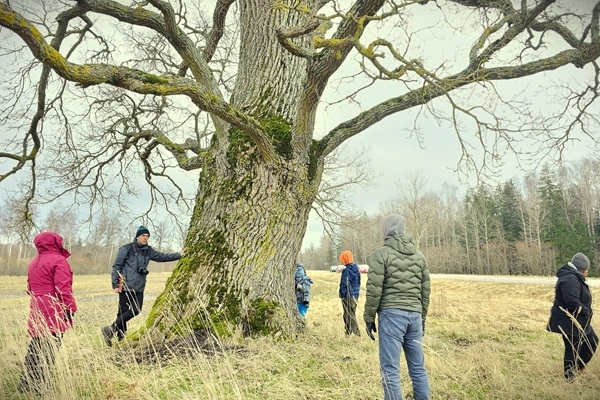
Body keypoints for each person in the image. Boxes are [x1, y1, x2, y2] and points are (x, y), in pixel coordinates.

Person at [364, 214, 431, 400]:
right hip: (415, 316)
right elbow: (426, 291)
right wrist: (422, 318)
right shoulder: (420, 257)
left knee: (390, 369)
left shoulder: (381, 254)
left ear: (385, 231)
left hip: (392, 315)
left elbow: (374, 291)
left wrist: (369, 318)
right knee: (418, 368)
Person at [101, 225, 186, 346]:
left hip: (139, 287)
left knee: (136, 310)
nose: (146, 238)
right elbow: (116, 267)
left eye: (147, 236)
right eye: (143, 236)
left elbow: (163, 257)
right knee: (122, 312)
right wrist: (115, 284)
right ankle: (120, 338)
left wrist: (179, 255)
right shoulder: (126, 249)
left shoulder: (148, 250)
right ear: (137, 237)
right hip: (126, 285)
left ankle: (110, 329)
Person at [18, 232, 77, 395]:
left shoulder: (33, 262)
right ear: (54, 243)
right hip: (54, 306)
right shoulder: (59, 260)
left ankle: (26, 383)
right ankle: (39, 386)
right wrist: (70, 308)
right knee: (51, 346)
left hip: (37, 306)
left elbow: (29, 288)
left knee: (36, 345)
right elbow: (63, 288)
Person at [547, 252, 598, 382]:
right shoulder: (570, 279)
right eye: (586, 271)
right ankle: (569, 379)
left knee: (592, 341)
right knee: (572, 349)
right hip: (569, 321)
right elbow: (571, 301)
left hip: (579, 320)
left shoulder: (573, 276)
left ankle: (579, 368)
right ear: (581, 269)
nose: (587, 273)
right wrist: (586, 311)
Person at [339, 250, 361, 336]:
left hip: (348, 296)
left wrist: (342, 294)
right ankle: (348, 332)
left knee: (349, 315)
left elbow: (344, 284)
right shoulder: (356, 269)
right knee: (349, 313)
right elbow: (358, 282)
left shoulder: (346, 271)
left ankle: (356, 334)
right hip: (355, 294)